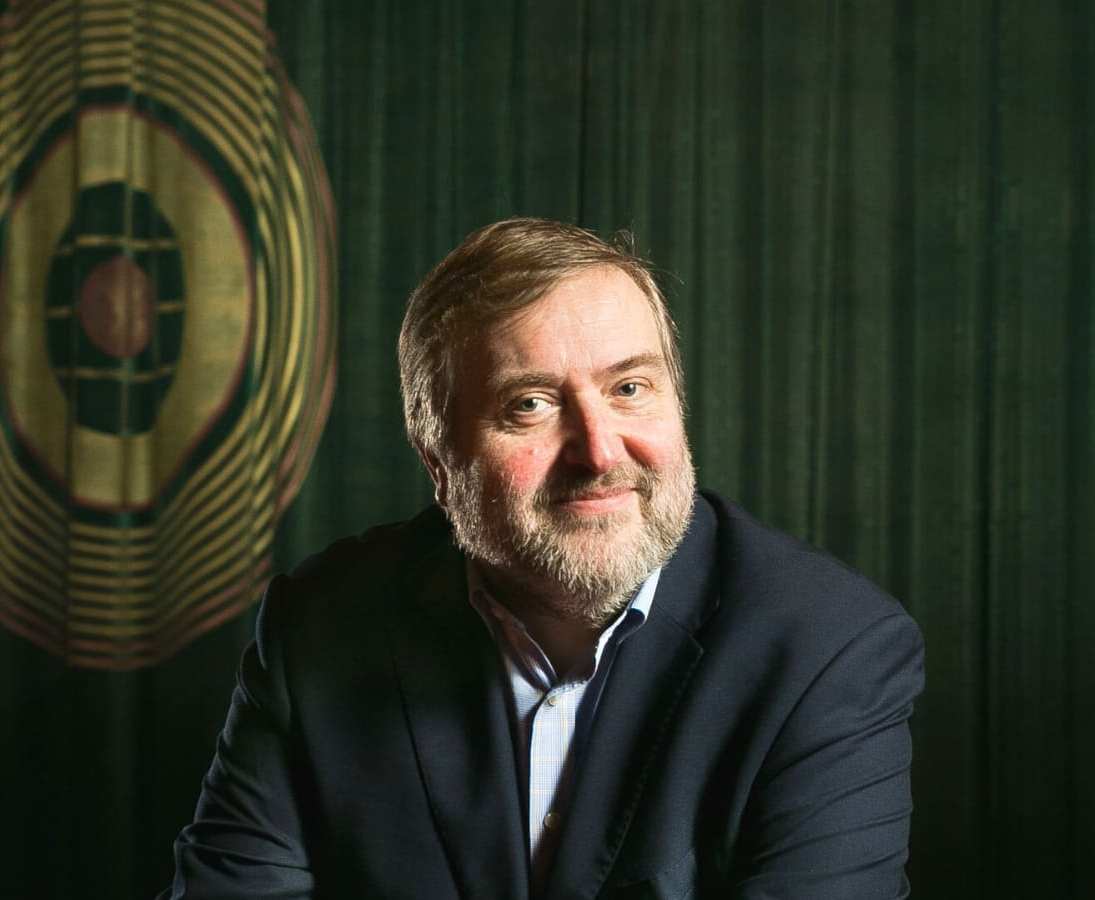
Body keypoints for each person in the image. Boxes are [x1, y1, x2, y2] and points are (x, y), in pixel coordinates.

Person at [163, 218, 924, 899]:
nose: (598, 452)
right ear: (438, 463)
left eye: (630, 387)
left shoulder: (829, 651)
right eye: (530, 404)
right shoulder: (321, 627)